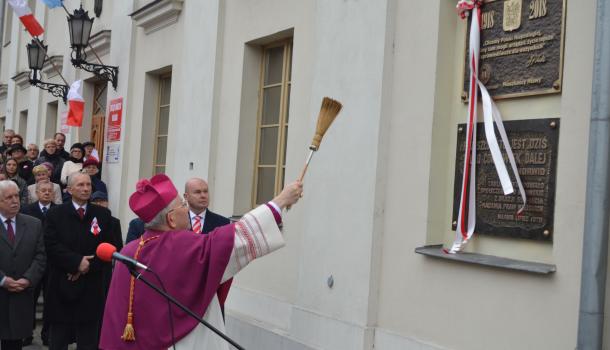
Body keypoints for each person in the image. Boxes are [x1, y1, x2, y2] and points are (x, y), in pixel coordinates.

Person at [99, 174, 302, 349]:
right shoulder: (181, 244)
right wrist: (281, 200)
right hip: (180, 342)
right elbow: (235, 240)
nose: (187, 209)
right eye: (183, 205)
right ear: (171, 219)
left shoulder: (130, 249)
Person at [45, 172, 115, 350]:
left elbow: (111, 247)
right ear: (68, 189)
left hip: (91, 286)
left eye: (88, 185)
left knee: (89, 339)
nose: (85, 189)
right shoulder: (55, 214)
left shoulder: (104, 215)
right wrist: (75, 262)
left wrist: (86, 267)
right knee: (59, 338)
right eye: (80, 185)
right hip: (62, 282)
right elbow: (51, 246)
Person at [0, 180, 46, 350]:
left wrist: (28, 279)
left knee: (13, 343)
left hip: (22, 294)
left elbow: (41, 256)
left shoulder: (34, 224)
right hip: (1, 290)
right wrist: (3, 279)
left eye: (17, 196)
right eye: (9, 197)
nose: (15, 201)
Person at [184, 178, 232, 316]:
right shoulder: (177, 222)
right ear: (186, 196)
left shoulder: (222, 223)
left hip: (212, 297)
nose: (203, 195)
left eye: (205, 191)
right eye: (198, 192)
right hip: (183, 297)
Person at [21, 180, 56, 346]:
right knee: (30, 300)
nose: (47, 193)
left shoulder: (59, 211)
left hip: (52, 263)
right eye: (43, 190)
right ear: (36, 192)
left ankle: (47, 334)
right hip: (32, 262)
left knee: (51, 300)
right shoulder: (27, 211)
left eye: (50, 190)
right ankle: (27, 333)